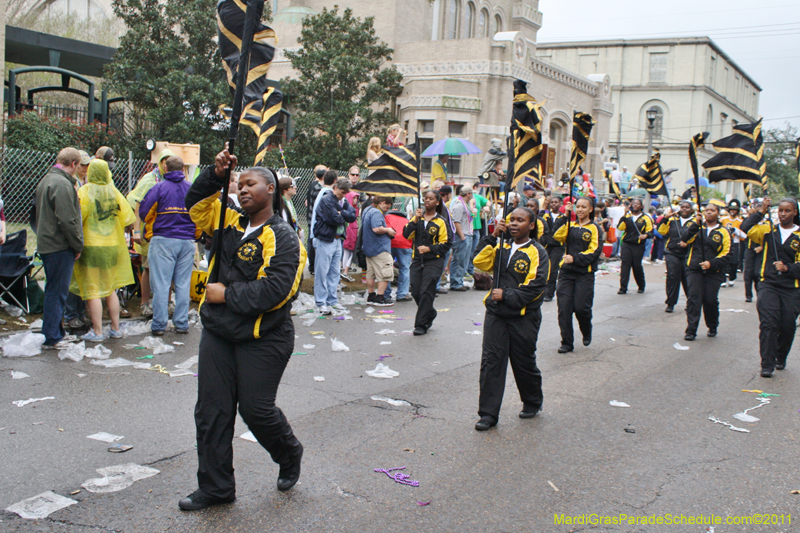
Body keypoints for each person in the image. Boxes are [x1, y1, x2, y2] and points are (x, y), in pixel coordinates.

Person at [180, 149, 306, 511]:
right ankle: (216, 488)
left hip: (264, 337)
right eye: (239, 184)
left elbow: (276, 291)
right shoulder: (228, 221)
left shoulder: (284, 238)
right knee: (212, 411)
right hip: (219, 333)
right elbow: (195, 204)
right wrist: (216, 175)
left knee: (256, 410)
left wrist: (225, 293)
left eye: (251, 184)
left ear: (271, 189)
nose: (243, 189)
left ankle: (288, 452)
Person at [472, 207, 549, 431]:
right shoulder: (500, 246)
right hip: (496, 314)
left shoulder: (537, 252)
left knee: (523, 362)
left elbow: (537, 285)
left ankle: (532, 401)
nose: (514, 224)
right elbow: (479, 261)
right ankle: (488, 414)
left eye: (520, 220)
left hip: (523, 316)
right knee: (491, 362)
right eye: (511, 220)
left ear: (531, 225)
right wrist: (494, 235)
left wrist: (507, 294)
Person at [70, 159, 135, 341]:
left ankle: (97, 331)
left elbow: (77, 218)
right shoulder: (115, 193)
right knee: (110, 289)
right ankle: (115, 328)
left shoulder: (85, 192)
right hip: (113, 246)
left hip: (91, 246)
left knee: (93, 290)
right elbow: (129, 219)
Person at [139, 156, 199, 335]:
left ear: (165, 168)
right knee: (182, 283)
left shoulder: (158, 188)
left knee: (161, 283)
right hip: (187, 240)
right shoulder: (191, 189)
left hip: (163, 239)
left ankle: (159, 324)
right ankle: (181, 323)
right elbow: (200, 213)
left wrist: (150, 228)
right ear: (183, 170)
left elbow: (144, 211)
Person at [741, 198, 800, 377]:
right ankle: (767, 363)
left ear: (795, 212)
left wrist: (788, 268)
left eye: (787, 211)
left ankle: (780, 356)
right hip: (768, 284)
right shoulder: (767, 229)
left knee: (787, 325)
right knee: (769, 324)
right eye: (780, 210)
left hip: (792, 287)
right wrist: (760, 211)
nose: (783, 214)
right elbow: (745, 228)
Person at [36, 147, 84, 350]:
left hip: (48, 242)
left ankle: (54, 332)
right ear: (73, 164)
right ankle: (52, 336)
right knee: (57, 292)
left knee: (53, 290)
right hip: (59, 245)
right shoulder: (62, 183)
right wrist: (77, 244)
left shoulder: (47, 179)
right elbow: (67, 219)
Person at [127, 149, 175, 318]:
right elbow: (138, 206)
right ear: (160, 162)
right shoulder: (149, 180)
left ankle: (167, 302)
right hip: (150, 233)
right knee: (148, 268)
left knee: (168, 268)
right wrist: (137, 231)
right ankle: (145, 304)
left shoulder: (173, 179)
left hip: (168, 232)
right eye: (164, 161)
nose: (167, 165)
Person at [552, 197, 602, 353]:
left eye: (583, 207)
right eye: (577, 207)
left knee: (582, 308)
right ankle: (567, 342)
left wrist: (576, 258)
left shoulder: (595, 228)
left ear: (590, 209)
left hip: (584, 273)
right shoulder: (570, 225)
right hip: (566, 273)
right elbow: (557, 236)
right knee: (564, 309)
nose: (580, 210)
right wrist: (565, 217)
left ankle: (586, 329)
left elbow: (594, 251)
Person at [404, 190, 452, 335]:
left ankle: (421, 324)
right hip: (418, 260)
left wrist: (429, 249)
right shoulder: (418, 219)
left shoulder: (441, 221)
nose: (427, 201)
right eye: (426, 198)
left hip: (434, 261)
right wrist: (415, 220)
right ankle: (429, 312)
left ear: (437, 202)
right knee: (416, 290)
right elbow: (406, 234)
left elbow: (447, 243)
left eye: (431, 199)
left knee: (426, 291)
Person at [682, 202, 731, 341]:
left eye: (712, 210)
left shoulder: (723, 232)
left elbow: (727, 253)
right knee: (694, 299)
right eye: (706, 210)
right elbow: (685, 238)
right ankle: (691, 330)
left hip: (713, 271)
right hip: (694, 269)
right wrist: (695, 225)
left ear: (718, 213)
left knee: (710, 300)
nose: (708, 212)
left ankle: (712, 325)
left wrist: (712, 263)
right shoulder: (697, 227)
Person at [313, 177, 356, 314]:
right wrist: (343, 215)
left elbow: (353, 216)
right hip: (325, 239)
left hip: (338, 240)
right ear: (335, 187)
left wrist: (341, 212)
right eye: (342, 192)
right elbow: (333, 219)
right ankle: (321, 302)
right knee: (322, 272)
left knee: (334, 273)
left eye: (346, 193)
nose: (344, 195)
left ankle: (332, 300)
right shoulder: (326, 200)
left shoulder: (342, 201)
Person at [657, 200, 693, 313]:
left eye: (687, 207)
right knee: (672, 277)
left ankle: (691, 302)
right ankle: (670, 303)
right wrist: (665, 218)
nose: (684, 209)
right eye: (682, 207)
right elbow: (661, 231)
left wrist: (688, 243)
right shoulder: (673, 220)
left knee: (687, 279)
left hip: (687, 254)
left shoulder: (695, 222)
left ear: (691, 209)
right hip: (672, 252)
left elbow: (698, 236)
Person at [362, 196, 396, 306]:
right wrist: (388, 230)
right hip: (379, 248)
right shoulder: (376, 213)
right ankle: (380, 297)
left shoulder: (367, 210)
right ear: (381, 202)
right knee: (386, 273)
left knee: (370, 274)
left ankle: (371, 296)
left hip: (369, 247)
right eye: (386, 206)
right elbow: (376, 228)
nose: (387, 209)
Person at [617, 198, 653, 294]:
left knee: (636, 266)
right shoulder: (628, 216)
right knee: (625, 265)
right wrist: (624, 215)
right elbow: (620, 227)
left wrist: (645, 235)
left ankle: (641, 285)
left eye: (638, 204)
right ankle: (623, 287)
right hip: (626, 244)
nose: (635, 205)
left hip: (638, 245)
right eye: (634, 204)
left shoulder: (646, 218)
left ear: (641, 206)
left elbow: (650, 231)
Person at [449, 185, 475, 292]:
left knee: (463, 260)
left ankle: (459, 281)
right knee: (459, 259)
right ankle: (456, 282)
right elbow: (456, 221)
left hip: (466, 234)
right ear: (468, 194)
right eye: (471, 193)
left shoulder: (465, 204)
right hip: (462, 236)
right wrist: (462, 236)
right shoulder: (459, 205)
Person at [384, 209, 413, 302]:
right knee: (404, 269)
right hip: (405, 244)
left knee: (387, 267)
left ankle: (386, 294)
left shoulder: (386, 217)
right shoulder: (406, 220)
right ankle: (402, 294)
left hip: (389, 243)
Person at [305, 165, 327, 274]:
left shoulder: (314, 185)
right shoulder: (317, 187)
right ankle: (312, 266)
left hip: (312, 218)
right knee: (312, 242)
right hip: (313, 219)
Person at [742, 200, 766, 303]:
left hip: (761, 251)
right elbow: (744, 227)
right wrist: (749, 216)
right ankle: (748, 295)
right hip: (750, 249)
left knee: (757, 273)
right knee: (748, 273)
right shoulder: (750, 222)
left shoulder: (767, 223)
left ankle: (760, 293)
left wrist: (762, 247)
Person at [542, 196, 564, 301]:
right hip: (546, 245)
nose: (554, 204)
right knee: (544, 268)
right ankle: (542, 290)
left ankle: (550, 293)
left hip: (557, 246)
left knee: (553, 269)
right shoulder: (546, 216)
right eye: (552, 202)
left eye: (556, 202)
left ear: (560, 204)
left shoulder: (563, 218)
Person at [720, 199, 745, 287]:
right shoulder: (724, 219)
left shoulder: (740, 221)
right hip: (725, 242)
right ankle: (722, 279)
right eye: (731, 210)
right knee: (723, 260)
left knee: (734, 262)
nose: (733, 211)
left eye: (734, 210)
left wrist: (736, 231)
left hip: (735, 242)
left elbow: (744, 235)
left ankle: (732, 277)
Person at [436, 185, 455, 294]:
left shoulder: (442, 206)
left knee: (442, 262)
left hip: (445, 238)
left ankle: (437, 284)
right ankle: (436, 285)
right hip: (443, 239)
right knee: (440, 263)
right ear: (446, 194)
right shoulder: (441, 207)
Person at [341, 183, 360, 283]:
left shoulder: (348, 209)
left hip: (350, 229)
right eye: (354, 198)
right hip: (351, 230)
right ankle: (346, 270)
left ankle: (344, 270)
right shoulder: (351, 212)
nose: (356, 200)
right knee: (351, 251)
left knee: (346, 251)